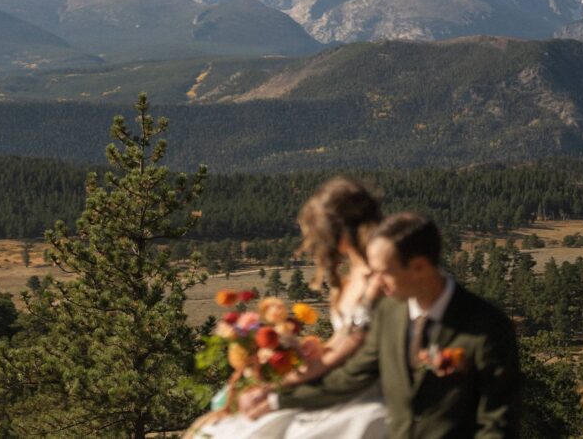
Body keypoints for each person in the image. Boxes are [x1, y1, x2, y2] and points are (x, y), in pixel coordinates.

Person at [243, 212, 519, 439]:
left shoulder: (487, 326)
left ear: (420, 267)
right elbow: (351, 377)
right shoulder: (389, 312)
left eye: (384, 273)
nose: (375, 283)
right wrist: (278, 399)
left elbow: (497, 423)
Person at [185, 177, 386, 439]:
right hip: (334, 376)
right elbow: (340, 341)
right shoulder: (357, 274)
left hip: (358, 387)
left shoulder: (377, 279)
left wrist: (283, 384)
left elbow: (348, 350)